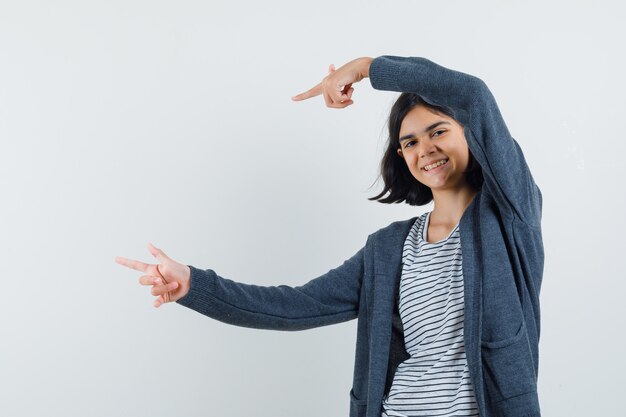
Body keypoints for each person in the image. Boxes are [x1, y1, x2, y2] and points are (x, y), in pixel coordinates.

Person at [116, 55, 544, 417]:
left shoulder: (509, 214)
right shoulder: (389, 249)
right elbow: (298, 306)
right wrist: (194, 284)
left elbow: (473, 94)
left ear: (470, 132)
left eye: (438, 131)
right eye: (409, 142)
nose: (424, 149)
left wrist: (364, 68)